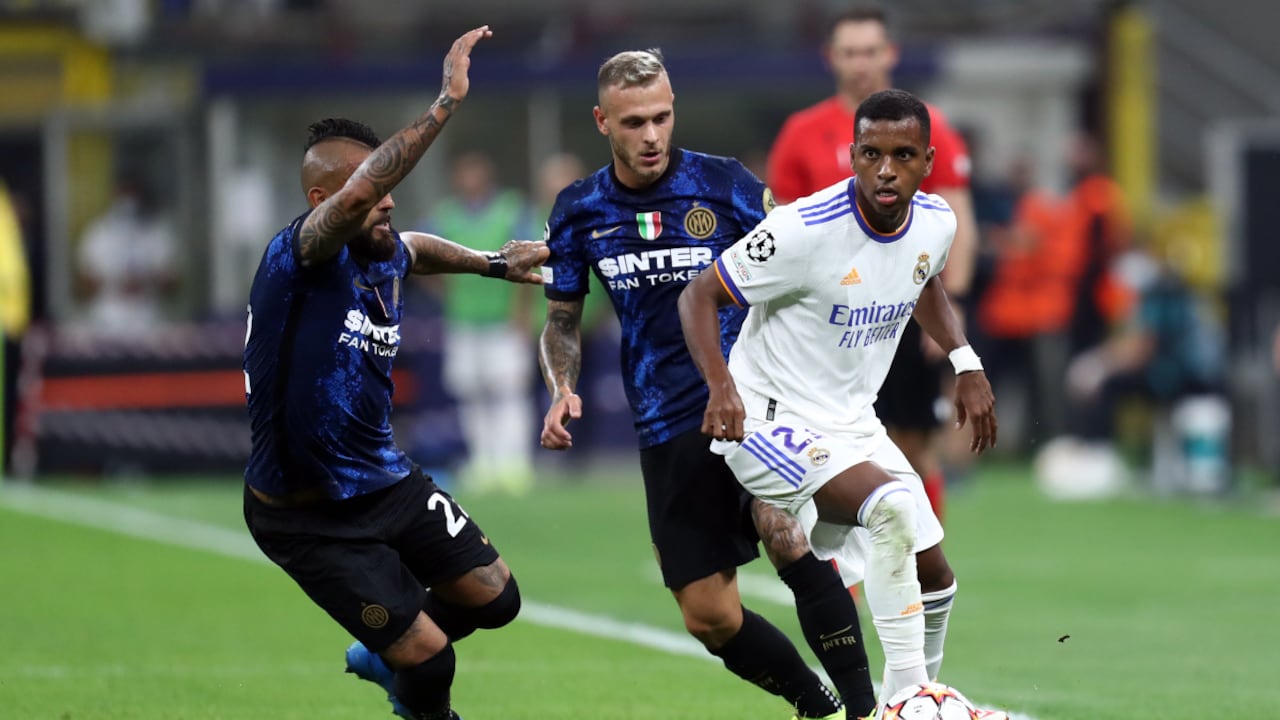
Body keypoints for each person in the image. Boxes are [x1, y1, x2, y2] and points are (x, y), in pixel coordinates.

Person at [539, 49, 876, 719]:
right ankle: (818, 704)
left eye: (662, 117)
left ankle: (867, 712)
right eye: (634, 122)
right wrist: (561, 386)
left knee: (786, 534)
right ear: (603, 121)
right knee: (709, 616)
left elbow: (806, 268)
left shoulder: (726, 186)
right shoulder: (578, 210)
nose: (652, 135)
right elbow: (562, 320)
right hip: (666, 423)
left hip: (755, 403)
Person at [241, 27, 546, 720]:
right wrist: (445, 104)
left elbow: (417, 249)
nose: (389, 200)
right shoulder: (297, 257)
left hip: (384, 481)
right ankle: (410, 674)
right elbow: (358, 202)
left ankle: (386, 654)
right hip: (306, 513)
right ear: (323, 197)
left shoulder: (380, 252)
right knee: (432, 659)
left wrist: (493, 264)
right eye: (374, 188)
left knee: (496, 597)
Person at [680, 90, 1004, 718]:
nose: (886, 170)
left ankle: (915, 701)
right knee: (890, 509)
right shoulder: (803, 230)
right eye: (872, 154)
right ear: (852, 156)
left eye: (903, 155)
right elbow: (698, 296)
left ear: (927, 161)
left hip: (853, 422)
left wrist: (965, 360)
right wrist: (720, 386)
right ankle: (905, 700)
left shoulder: (936, 222)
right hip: (768, 419)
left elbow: (922, 277)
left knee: (937, 579)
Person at [767, 6, 979, 524]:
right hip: (821, 322)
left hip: (900, 311)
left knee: (911, 444)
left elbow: (958, 219)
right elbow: (777, 229)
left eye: (870, 51)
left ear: (891, 54)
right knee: (825, 451)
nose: (860, 63)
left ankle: (920, 554)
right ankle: (843, 560)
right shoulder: (801, 133)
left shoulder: (929, 128)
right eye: (850, 52)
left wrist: (953, 306)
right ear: (831, 58)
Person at [420, 150, 540, 495]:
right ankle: (482, 463)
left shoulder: (511, 210)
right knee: (471, 393)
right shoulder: (446, 215)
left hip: (503, 321)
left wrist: (522, 311)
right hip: (463, 320)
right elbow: (418, 255)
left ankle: (514, 465)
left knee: (509, 391)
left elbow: (530, 260)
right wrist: (445, 291)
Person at [76, 174, 180, 335]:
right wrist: (113, 282)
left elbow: (172, 283)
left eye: (132, 195)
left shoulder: (157, 232)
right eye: (123, 195)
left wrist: (146, 280)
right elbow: (83, 285)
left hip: (148, 320)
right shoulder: (97, 233)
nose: (128, 202)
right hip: (106, 321)